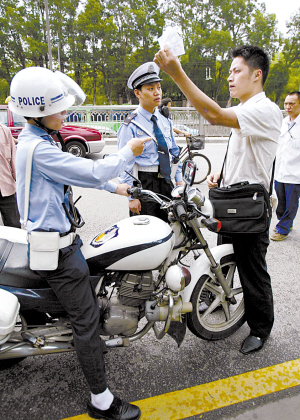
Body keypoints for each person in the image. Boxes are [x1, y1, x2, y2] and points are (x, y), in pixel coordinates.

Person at [9, 66, 149, 420]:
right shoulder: (38, 148)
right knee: (86, 321)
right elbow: (89, 171)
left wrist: (117, 187)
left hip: (59, 241)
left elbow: (71, 170)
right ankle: (100, 400)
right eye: (59, 107)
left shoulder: (36, 140)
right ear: (39, 111)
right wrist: (128, 152)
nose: (65, 112)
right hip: (57, 250)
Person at [154, 45, 282, 355]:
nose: (230, 78)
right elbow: (245, 154)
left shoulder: (264, 109)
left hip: (250, 207)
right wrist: (221, 177)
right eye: (229, 72)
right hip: (232, 199)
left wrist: (176, 72)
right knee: (225, 259)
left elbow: (212, 114)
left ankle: (260, 329)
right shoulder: (246, 109)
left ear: (257, 74)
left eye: (236, 71)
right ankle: (218, 297)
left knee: (252, 270)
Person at [117, 62, 183, 222]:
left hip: (167, 182)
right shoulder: (131, 124)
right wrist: (131, 196)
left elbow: (174, 151)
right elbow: (123, 163)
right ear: (138, 93)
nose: (157, 92)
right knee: (146, 233)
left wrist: (179, 180)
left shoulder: (164, 119)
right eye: (151, 88)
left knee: (171, 228)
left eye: (158, 87)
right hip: (144, 183)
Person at [270, 91, 300, 241]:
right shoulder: (283, 122)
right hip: (280, 172)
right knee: (281, 202)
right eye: (286, 103)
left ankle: (283, 229)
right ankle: (285, 222)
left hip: (295, 174)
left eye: (292, 103)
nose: (288, 106)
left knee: (291, 204)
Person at [0, 122, 21, 228]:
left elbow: (14, 159)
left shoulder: (4, 131)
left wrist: (20, 182)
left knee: (14, 226)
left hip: (7, 187)